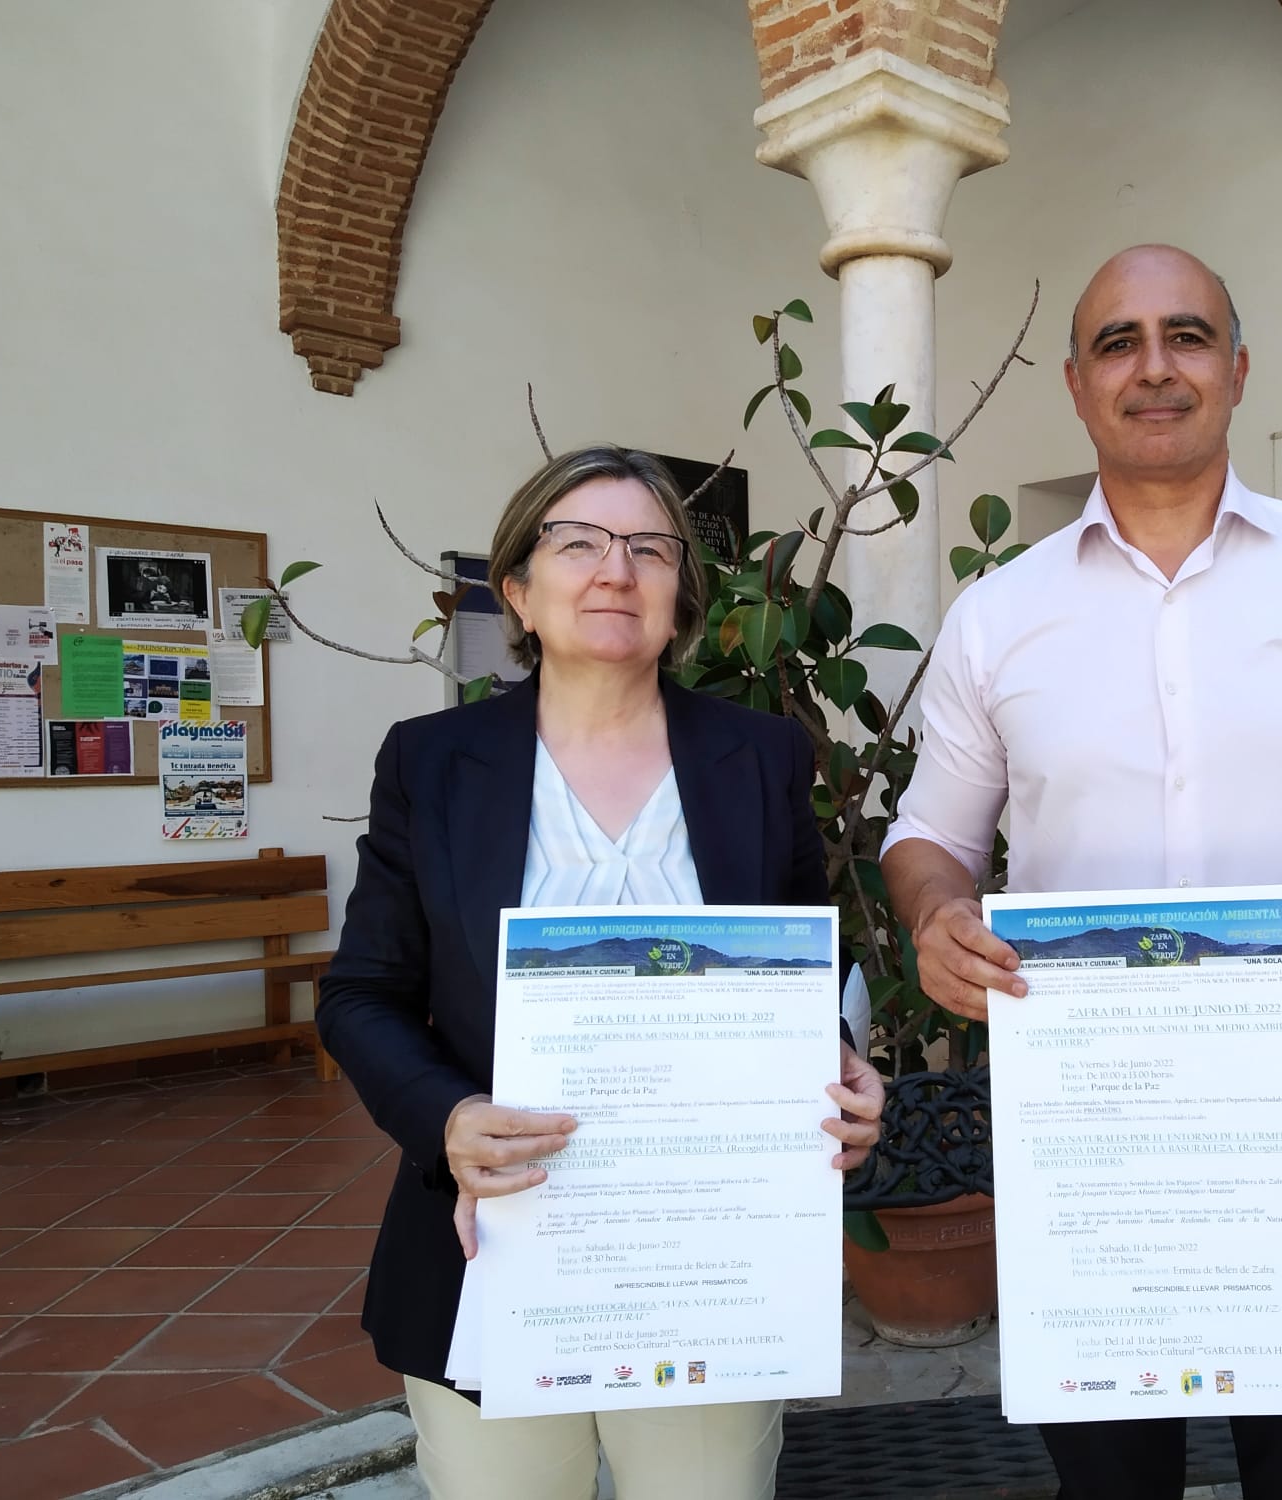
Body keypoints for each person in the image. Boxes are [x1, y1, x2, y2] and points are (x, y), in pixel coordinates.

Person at [879, 245, 1282, 1499]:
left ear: (1236, 368)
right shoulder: (997, 614)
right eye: (1117, 342)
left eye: (1185, 335)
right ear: (1076, 383)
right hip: (1084, 1096)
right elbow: (927, 835)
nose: (1153, 366)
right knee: (1108, 1472)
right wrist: (936, 910)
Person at [319, 445, 885, 1500]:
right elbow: (362, 993)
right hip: (496, 1237)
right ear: (518, 592)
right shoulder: (433, 763)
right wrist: (448, 1118)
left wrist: (840, 1058)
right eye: (577, 543)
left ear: (681, 599)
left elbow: (809, 961)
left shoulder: (760, 757)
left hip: (705, 1251)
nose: (615, 570)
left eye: (649, 548)